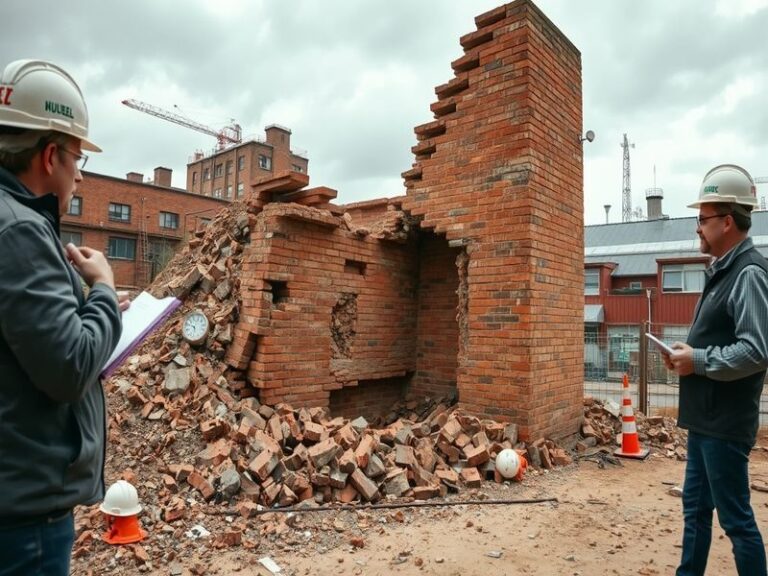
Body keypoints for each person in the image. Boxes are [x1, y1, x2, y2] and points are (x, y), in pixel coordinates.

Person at [0, 60, 125, 575]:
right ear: (50, 155)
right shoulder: (19, 232)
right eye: (78, 158)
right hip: (24, 519)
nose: (79, 172)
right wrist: (103, 290)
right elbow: (70, 365)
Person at [664, 164, 768, 576]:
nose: (697, 229)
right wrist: (689, 355)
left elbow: (756, 350)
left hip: (725, 424)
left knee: (736, 522)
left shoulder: (748, 274)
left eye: (703, 220)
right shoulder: (724, 270)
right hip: (706, 419)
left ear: (728, 221)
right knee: (695, 511)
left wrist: (700, 360)